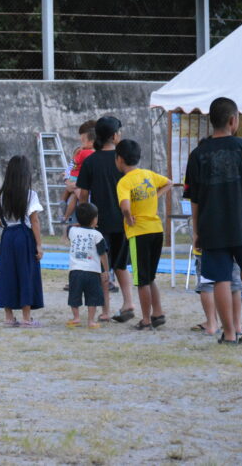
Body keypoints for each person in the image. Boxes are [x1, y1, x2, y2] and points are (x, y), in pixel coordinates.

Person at [185, 97, 242, 345]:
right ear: (233, 120)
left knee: (218, 278)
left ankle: (229, 334)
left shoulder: (197, 154)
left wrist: (197, 230)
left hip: (211, 226)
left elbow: (194, 198)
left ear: (211, 121)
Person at [76, 115, 135, 322]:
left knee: (102, 268)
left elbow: (83, 195)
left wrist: (82, 219)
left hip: (98, 223)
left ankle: (106, 310)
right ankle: (128, 302)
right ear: (114, 135)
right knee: (121, 265)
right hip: (123, 220)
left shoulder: (91, 161)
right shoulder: (123, 160)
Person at [183, 147, 242, 337]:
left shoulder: (201, 175)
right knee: (234, 282)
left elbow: (194, 203)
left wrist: (196, 232)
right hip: (234, 234)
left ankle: (212, 323)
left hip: (209, 234)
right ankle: (236, 325)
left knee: (208, 283)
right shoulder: (234, 176)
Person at [115, 138, 172, 330]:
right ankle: (158, 312)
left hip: (139, 233)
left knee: (141, 280)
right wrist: (156, 195)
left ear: (120, 159)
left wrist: (128, 216)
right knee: (151, 277)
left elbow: (124, 205)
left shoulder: (124, 182)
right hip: (156, 229)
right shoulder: (148, 175)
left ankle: (146, 319)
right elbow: (169, 183)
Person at [0, 155, 44, 327]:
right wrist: (38, 244)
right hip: (24, 236)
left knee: (7, 274)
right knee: (26, 273)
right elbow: (35, 221)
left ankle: (8, 317)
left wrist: (7, 223)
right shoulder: (30, 195)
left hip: (7, 236)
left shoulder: (0, 195)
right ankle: (26, 317)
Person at [66, 202, 108, 329]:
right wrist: (105, 270)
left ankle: (76, 317)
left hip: (75, 270)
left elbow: (68, 227)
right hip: (93, 271)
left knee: (74, 295)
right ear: (94, 219)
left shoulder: (72, 231)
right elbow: (103, 254)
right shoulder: (97, 235)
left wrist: (78, 224)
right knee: (93, 297)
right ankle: (91, 321)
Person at [62, 121, 97, 222]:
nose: (81, 145)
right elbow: (71, 167)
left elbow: (73, 165)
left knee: (75, 195)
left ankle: (66, 213)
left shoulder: (87, 154)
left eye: (83, 141)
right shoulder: (84, 152)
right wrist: (67, 180)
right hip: (77, 186)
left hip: (86, 197)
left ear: (92, 141)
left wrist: (72, 183)